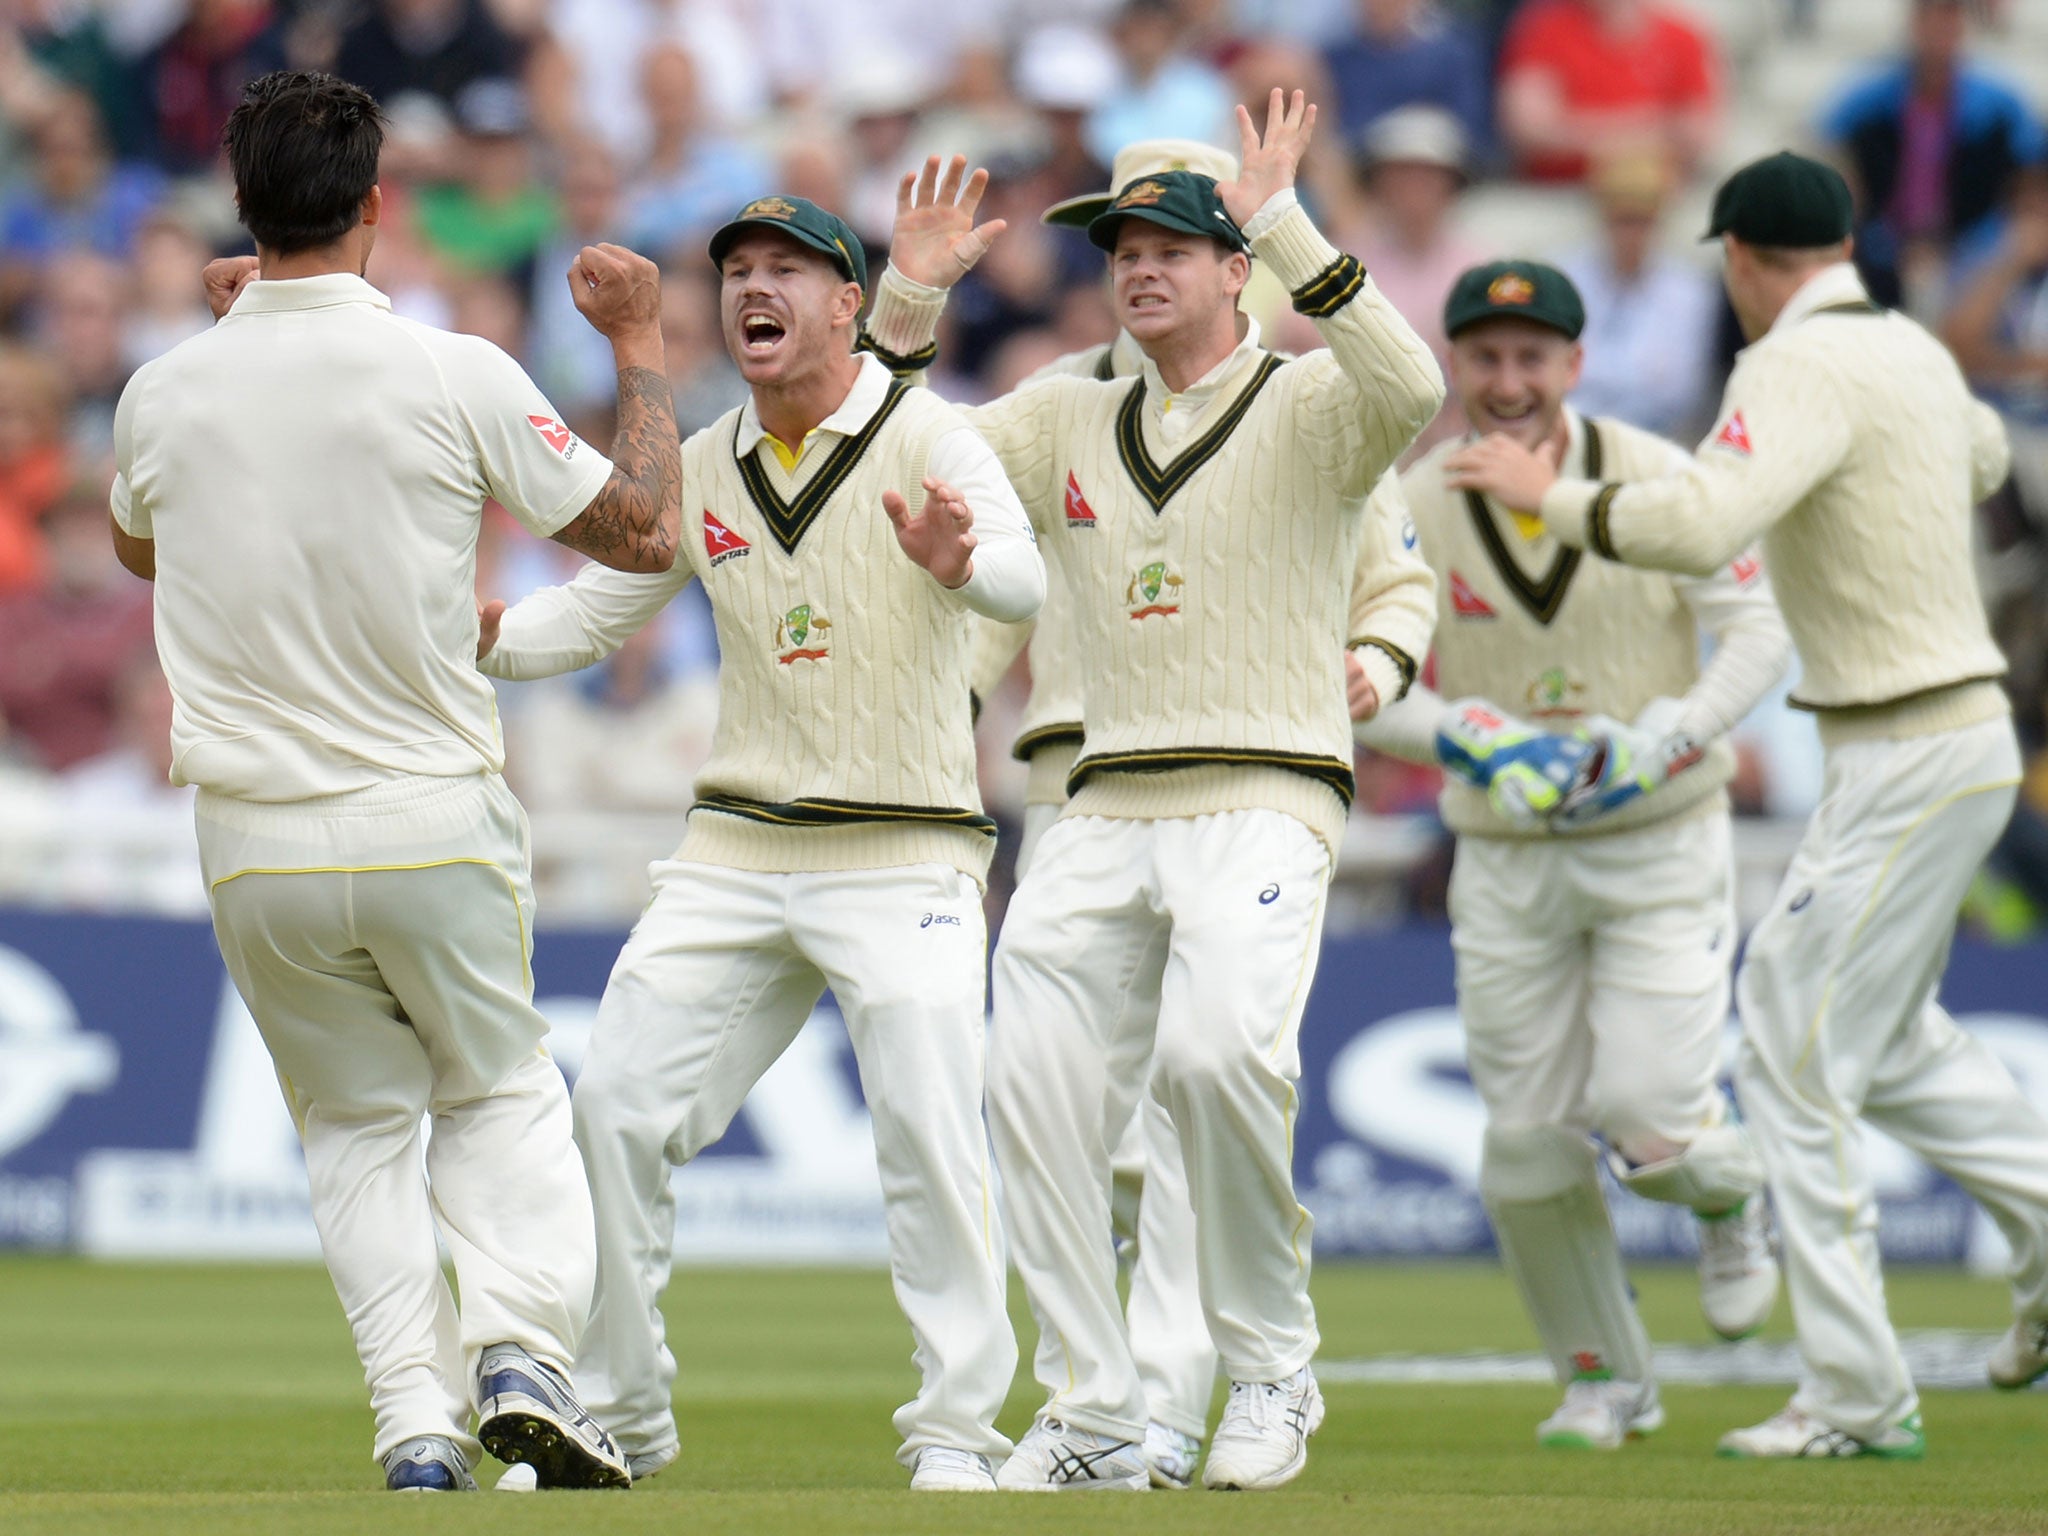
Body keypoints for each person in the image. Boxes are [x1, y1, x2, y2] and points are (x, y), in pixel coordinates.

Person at [864, 90, 1442, 1490]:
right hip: (1101, 798)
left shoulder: (1313, 404)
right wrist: (903, 307)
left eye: (1174, 244)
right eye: (1121, 245)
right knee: (1032, 1086)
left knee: (1216, 1060)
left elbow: (1412, 390)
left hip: (1264, 786)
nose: (1139, 264)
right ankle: (1099, 1406)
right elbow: (891, 450)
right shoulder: (1064, 407)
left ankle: (1270, 1367)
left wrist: (1286, 217)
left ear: (1236, 265)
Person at [1445, 150, 2048, 1457]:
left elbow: (1704, 522)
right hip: (1947, 737)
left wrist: (1550, 497)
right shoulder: (1909, 353)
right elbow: (1987, 458)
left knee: (1787, 1052)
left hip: (1906, 741)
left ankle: (1854, 1395)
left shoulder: (1791, 365)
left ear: (1739, 259)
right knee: (1886, 1049)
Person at [134, 69, 682, 1492]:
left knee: (357, 1136)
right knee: (498, 1097)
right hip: (429, 813)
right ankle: (518, 1353)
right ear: (381, 208)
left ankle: (414, 1426)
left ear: (243, 211)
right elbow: (639, 534)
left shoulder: (164, 390)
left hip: (255, 842)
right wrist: (640, 348)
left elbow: (146, 549)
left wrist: (225, 365)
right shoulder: (453, 371)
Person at [475, 185, 1045, 1492]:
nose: (753, 288)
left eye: (789, 267)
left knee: (926, 1127)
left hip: (905, 851)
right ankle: (616, 1406)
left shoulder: (931, 438)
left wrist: (963, 566)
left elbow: (1021, 577)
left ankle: (958, 1429)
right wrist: (464, 635)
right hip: (736, 851)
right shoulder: (711, 459)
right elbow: (596, 614)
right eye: (735, 269)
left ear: (852, 304)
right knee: (615, 1110)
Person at [1357, 258, 1790, 1448]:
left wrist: (1669, 735)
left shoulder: (1655, 477)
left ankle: (1729, 1189)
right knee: (1523, 1146)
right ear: (1453, 365)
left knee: (1652, 1132)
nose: (1506, 382)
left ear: (1574, 364)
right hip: (1505, 854)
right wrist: (1464, 730)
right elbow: (1354, 677)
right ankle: (1601, 1378)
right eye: (1484, 359)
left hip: (1655, 843)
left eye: (1529, 358)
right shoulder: (1411, 503)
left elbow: (1754, 636)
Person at [1818, 0, 2046, 311]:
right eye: (1931, 16)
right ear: (1914, 24)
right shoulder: (1867, 101)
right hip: (1883, 246)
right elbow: (1831, 160)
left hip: (1971, 248)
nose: (1939, 30)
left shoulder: (2001, 107)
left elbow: (2028, 181)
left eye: (1950, 18)